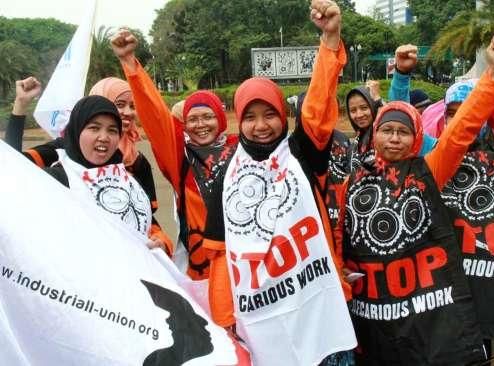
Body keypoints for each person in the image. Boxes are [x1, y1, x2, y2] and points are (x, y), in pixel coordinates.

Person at [143, 2, 354, 365]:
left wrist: (330, 39)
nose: (260, 126)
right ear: (238, 121)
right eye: (250, 117)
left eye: (269, 114)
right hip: (261, 318)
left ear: (282, 116)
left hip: (317, 308)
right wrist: (225, 322)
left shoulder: (302, 153)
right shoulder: (227, 176)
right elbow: (223, 255)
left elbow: (317, 105)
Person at [339, 34, 494, 365]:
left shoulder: (429, 171)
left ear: (417, 138)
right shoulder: (353, 179)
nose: (393, 138)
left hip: (424, 309)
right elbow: (338, 234)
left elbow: (462, 129)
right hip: (372, 310)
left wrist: (492, 77)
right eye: (386, 130)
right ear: (373, 134)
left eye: (403, 132)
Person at [112, 30, 239, 280]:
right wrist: (129, 63)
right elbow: (156, 116)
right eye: (192, 119)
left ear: (221, 119)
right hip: (203, 273)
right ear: (184, 124)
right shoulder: (181, 156)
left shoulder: (242, 148)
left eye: (208, 116)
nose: (200, 124)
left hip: (248, 268)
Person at [4, 77, 171, 253]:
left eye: (112, 129)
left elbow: (146, 219)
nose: (104, 137)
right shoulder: (60, 166)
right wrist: (21, 105)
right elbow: (12, 167)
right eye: (120, 104)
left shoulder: (137, 163)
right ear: (78, 127)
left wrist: (161, 242)